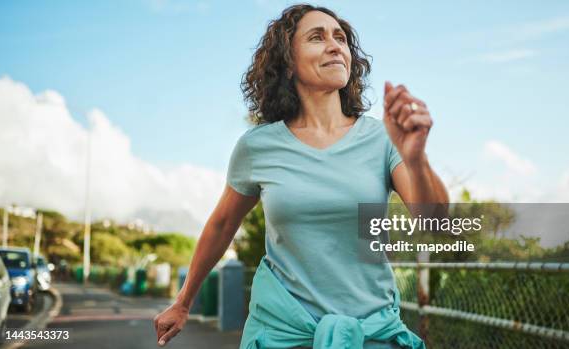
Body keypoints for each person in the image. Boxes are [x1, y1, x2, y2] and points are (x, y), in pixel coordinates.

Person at [154, 4, 449, 349]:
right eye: (316, 37)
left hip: (370, 333)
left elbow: (435, 222)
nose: (335, 45)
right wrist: (184, 301)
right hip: (282, 334)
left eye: (340, 38)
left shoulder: (383, 137)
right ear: (289, 62)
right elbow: (221, 225)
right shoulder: (258, 146)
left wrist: (416, 160)